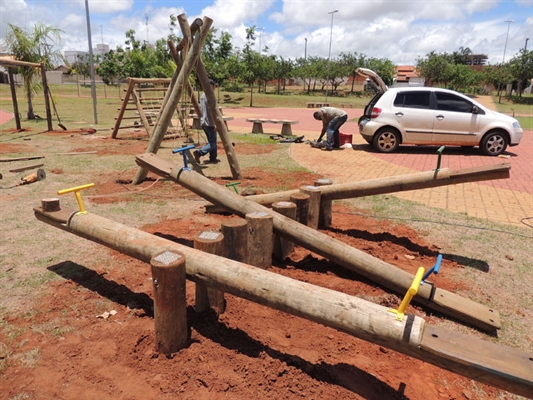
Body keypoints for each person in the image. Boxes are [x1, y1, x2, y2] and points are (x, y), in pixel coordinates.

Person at [194, 79, 220, 164]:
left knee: (211, 141)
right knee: (212, 143)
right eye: (214, 86)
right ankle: (199, 152)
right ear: (212, 86)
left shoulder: (202, 95)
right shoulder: (210, 96)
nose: (215, 87)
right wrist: (216, 123)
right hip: (210, 122)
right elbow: (212, 110)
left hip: (203, 122)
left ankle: (213, 158)